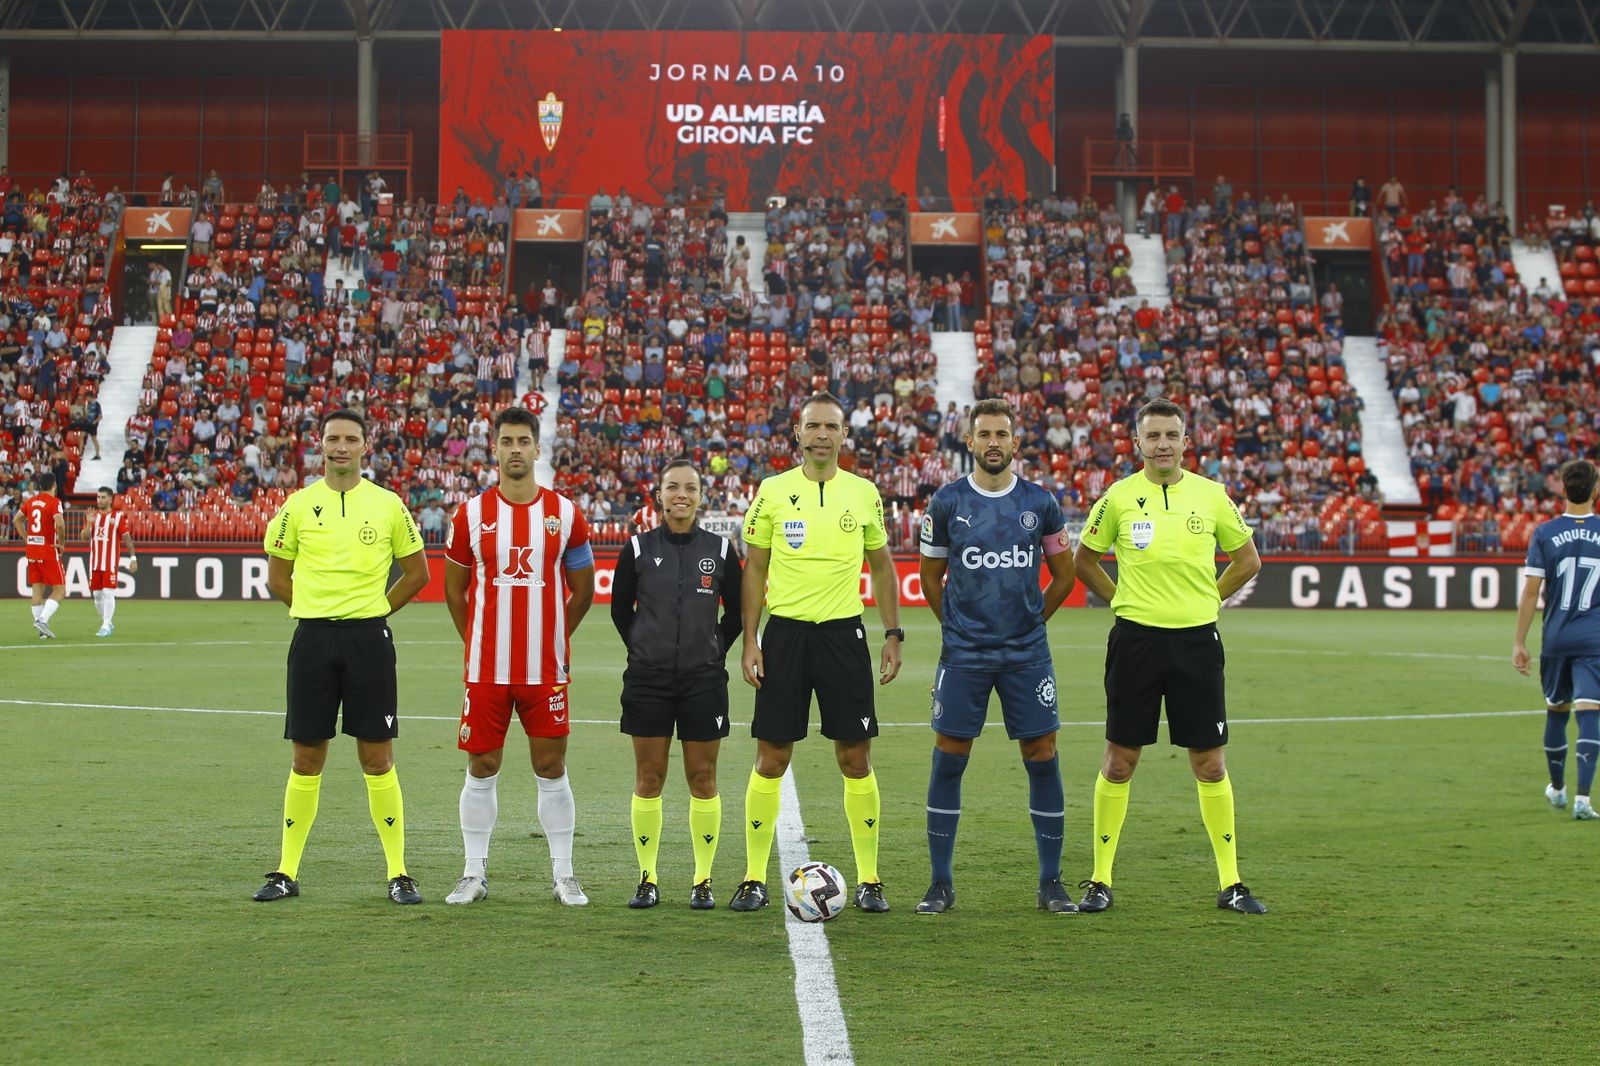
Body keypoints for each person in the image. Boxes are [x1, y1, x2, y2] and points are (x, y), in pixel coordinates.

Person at [1072, 398, 1267, 915]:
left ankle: (1231, 882)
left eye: (1171, 435)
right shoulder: (1117, 497)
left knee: (1209, 762)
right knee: (1119, 761)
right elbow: (1084, 559)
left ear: (1186, 442)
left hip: (1197, 641)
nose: (1162, 444)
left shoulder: (1212, 496)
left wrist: (1212, 597)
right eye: (1152, 435)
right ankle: (1099, 880)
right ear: (1137, 443)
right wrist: (1118, 598)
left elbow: (1247, 559)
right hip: (1135, 640)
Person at [734, 392, 904, 914]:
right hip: (784, 637)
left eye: (832, 426)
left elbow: (881, 566)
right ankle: (753, 877)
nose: (822, 435)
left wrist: (893, 633)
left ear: (844, 435)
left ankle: (871, 879)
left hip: (843, 636)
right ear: (798, 433)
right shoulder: (773, 491)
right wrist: (750, 639)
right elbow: (756, 569)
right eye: (814, 426)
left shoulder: (864, 493)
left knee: (855, 758)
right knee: (771, 757)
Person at [255, 409, 431, 905]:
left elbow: (416, 574)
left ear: (364, 446)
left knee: (377, 758)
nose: (341, 446)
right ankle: (286, 871)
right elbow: (276, 576)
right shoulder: (296, 505)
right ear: (321, 444)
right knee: (306, 757)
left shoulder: (388, 504)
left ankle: (398, 872)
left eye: (351, 439)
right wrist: (315, 611)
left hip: (368, 642)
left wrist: (375, 612)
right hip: (312, 640)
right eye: (333, 438)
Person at [914, 399, 1078, 914]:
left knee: (1042, 757)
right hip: (965, 655)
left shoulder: (1041, 502)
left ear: (1014, 442)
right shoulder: (945, 503)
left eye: (1000, 434)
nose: (992, 442)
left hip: (1027, 656)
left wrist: (1032, 621)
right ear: (968, 441)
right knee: (950, 758)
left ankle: (1051, 883)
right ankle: (940, 883)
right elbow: (930, 579)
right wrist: (958, 630)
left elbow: (1065, 575)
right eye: (983, 434)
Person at [442, 406, 597, 906]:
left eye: (522, 441)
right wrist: (477, 642)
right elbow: (455, 590)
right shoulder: (470, 515)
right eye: (505, 441)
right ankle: (472, 873)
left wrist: (556, 635)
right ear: (495, 447)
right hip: (487, 669)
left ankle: (565, 874)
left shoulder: (565, 514)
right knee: (481, 765)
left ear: (536, 448)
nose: (514, 449)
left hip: (543, 668)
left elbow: (583, 588)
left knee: (551, 766)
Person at [611, 459, 743, 909]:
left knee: (702, 778)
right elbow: (619, 611)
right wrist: (644, 647)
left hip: (704, 681)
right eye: (672, 487)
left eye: (689, 487)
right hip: (648, 680)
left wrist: (712, 648)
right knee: (649, 778)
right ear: (660, 495)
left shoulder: (721, 551)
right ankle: (647, 878)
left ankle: (702, 880)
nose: (681, 494)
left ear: (702, 496)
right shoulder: (636, 547)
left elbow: (738, 615)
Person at [1513, 458, 1600, 821]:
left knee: (1557, 710)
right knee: (1590, 711)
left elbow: (1532, 591)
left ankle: (1558, 790)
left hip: (1557, 639)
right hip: (1594, 640)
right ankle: (1583, 800)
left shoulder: (1545, 533)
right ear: (1596, 491)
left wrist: (1519, 641)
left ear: (1562, 489)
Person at [13, 472, 65, 639]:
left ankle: (41, 631)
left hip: (32, 550)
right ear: (54, 485)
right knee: (60, 590)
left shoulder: (31, 501)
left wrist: (26, 538)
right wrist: (62, 543)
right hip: (48, 550)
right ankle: (42, 620)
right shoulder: (54, 502)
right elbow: (60, 523)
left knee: (37, 590)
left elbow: (16, 520)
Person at [86, 486, 137, 637]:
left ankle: (106, 624)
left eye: (103, 497)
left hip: (110, 563)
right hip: (94, 563)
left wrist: (133, 558)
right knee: (97, 596)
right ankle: (107, 622)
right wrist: (89, 524)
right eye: (98, 497)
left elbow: (127, 539)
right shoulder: (92, 516)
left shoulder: (118, 517)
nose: (99, 500)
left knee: (108, 593)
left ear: (110, 499)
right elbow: (83, 537)